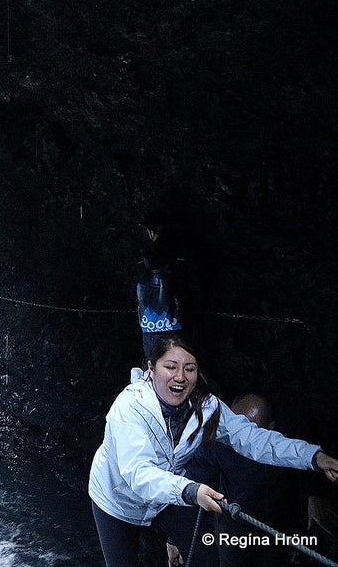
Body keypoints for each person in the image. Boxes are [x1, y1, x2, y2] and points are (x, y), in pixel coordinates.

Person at [88, 336, 338, 567]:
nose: (180, 376)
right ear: (151, 369)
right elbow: (139, 474)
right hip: (117, 500)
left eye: (190, 368)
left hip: (171, 494)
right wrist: (190, 490)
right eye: (171, 367)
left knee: (206, 559)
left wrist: (313, 457)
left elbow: (252, 438)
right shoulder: (129, 408)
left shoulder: (207, 408)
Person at [169, 394, 302, 566]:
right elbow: (192, 483)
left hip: (275, 530)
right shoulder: (218, 443)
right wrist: (174, 538)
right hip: (233, 529)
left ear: (270, 428)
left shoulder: (286, 451)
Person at [136, 212, 197, 362]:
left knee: (157, 368)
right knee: (176, 366)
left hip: (151, 327)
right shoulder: (182, 259)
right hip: (175, 325)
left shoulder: (144, 262)